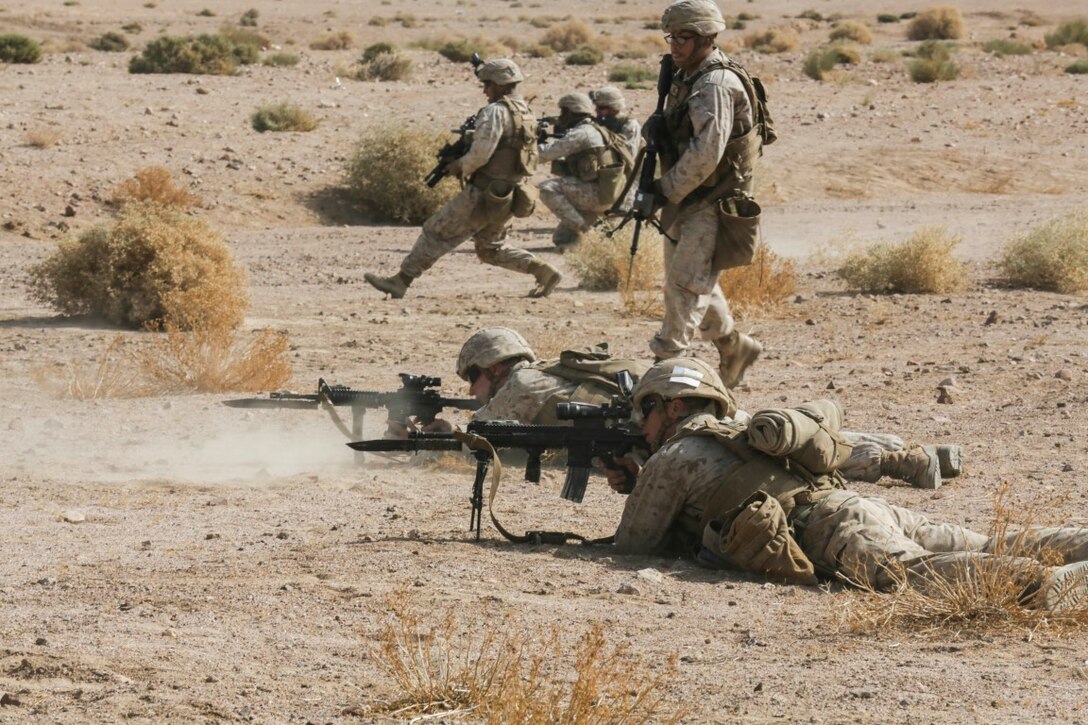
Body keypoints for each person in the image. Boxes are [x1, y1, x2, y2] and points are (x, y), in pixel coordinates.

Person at [608, 358, 1088, 611]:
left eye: (644, 411)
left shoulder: (674, 456)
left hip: (831, 528)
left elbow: (634, 545)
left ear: (673, 406)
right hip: (854, 505)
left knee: (909, 572)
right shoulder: (741, 429)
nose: (641, 426)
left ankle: (1037, 585)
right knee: (988, 540)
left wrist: (642, 480)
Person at [398, 328, 963, 491]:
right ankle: (916, 450)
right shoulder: (542, 373)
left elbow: (481, 440)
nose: (472, 390)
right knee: (755, 435)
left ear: (492, 368)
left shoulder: (519, 384)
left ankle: (902, 461)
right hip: (653, 417)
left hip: (653, 425)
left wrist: (435, 431)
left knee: (758, 446)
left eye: (473, 379)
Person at [364, 59, 562, 299]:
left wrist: (459, 165)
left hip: (483, 192)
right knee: (490, 249)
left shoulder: (495, 112)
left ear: (499, 85)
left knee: (435, 231)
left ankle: (400, 281)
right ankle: (543, 271)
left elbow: (481, 153)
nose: (485, 91)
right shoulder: (526, 112)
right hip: (510, 193)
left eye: (487, 84)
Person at [649, 0, 770, 388]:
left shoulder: (715, 84)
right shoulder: (688, 76)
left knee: (684, 287)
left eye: (684, 38)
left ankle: (664, 377)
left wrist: (664, 189)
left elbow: (706, 154)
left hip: (713, 200)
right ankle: (734, 345)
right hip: (692, 196)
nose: (675, 45)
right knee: (691, 278)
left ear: (707, 38)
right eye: (672, 37)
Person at [537, 93, 634, 249]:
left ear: (570, 112)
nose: (561, 117)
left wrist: (532, 145)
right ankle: (593, 236)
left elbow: (545, 154)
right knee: (562, 239)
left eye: (563, 112)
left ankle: (587, 232)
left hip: (598, 195)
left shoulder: (582, 133)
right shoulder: (595, 129)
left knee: (546, 188)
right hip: (611, 193)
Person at [589, 86, 641, 212]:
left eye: (601, 108)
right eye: (596, 107)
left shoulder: (629, 125)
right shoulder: (601, 122)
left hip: (626, 178)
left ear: (614, 107)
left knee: (618, 215)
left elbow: (628, 156)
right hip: (604, 176)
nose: (596, 111)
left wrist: (605, 139)